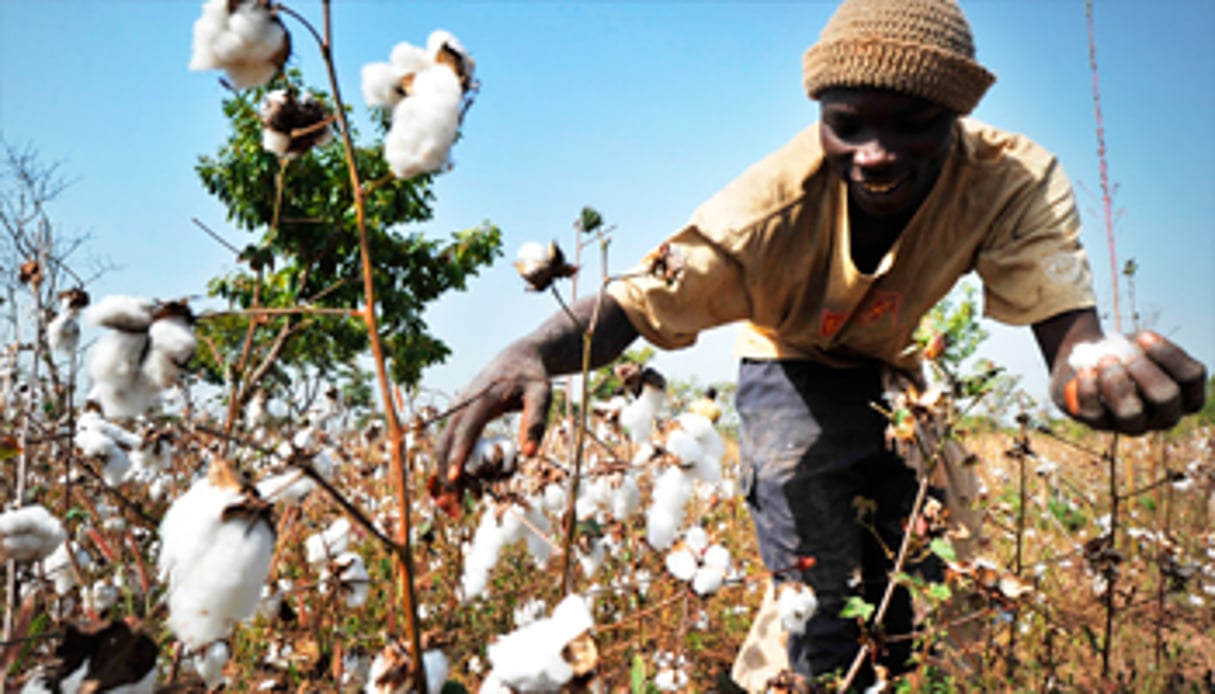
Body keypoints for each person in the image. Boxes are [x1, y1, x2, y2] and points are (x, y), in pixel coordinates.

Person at [434, 0, 1208, 687]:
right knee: (819, 597)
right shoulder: (763, 212)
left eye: (913, 125)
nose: (876, 152)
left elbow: (1071, 342)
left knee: (919, 581)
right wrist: (533, 350)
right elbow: (638, 300)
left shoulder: (1010, 180)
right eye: (848, 126)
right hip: (786, 369)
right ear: (820, 115)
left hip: (896, 375)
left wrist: (1091, 383)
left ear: (955, 118)